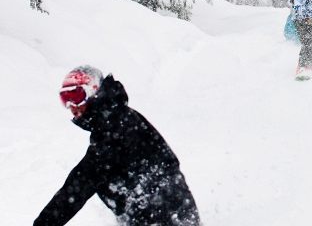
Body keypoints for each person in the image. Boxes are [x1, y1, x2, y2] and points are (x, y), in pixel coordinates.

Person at [35, 66, 200, 226]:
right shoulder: (113, 118)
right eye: (65, 98)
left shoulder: (116, 125)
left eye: (76, 95)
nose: (72, 105)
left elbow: (83, 180)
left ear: (94, 92)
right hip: (158, 211)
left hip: (164, 213)